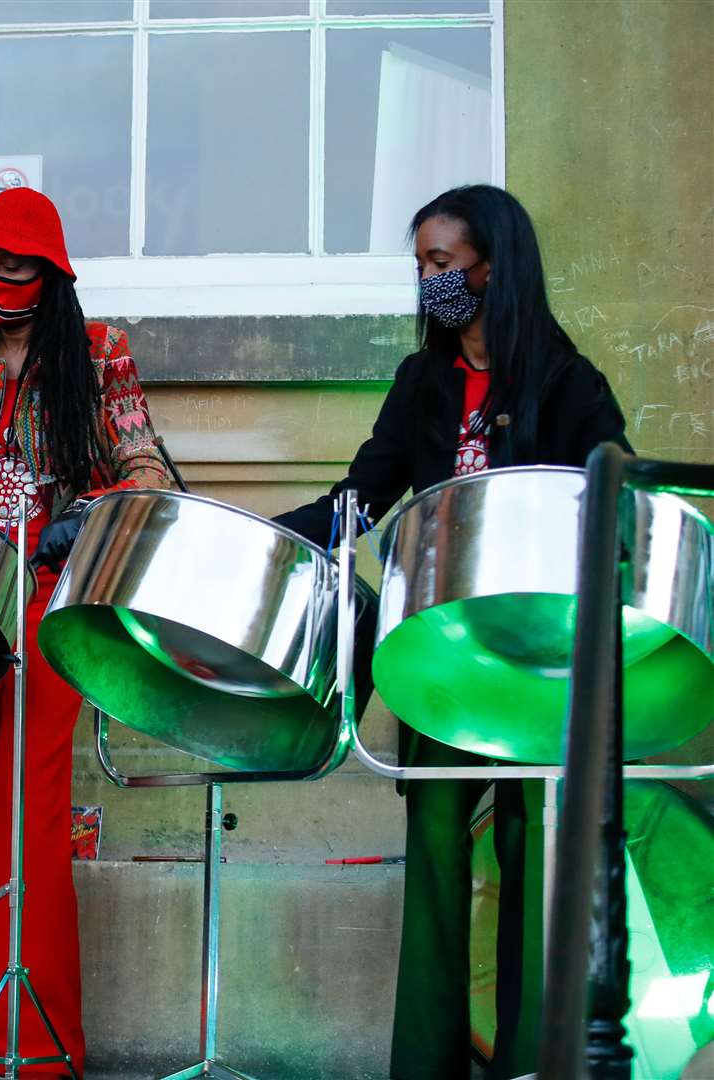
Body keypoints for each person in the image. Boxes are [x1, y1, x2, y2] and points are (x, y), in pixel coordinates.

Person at [274, 184, 630, 1080]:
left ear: (493, 266)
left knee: (530, 847)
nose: (431, 282)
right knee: (434, 843)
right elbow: (364, 495)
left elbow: (615, 504)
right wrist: (278, 535)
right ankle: (424, 1069)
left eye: (444, 265)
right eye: (423, 266)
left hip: (536, 659)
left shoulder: (567, 381)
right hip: (441, 656)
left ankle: (531, 1062)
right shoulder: (421, 381)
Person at [0, 187, 173, 1077]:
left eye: (15, 267)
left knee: (31, 813)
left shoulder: (98, 354)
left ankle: (34, 1048)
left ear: (50, 274)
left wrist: (85, 513)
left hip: (53, 596)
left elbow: (144, 473)